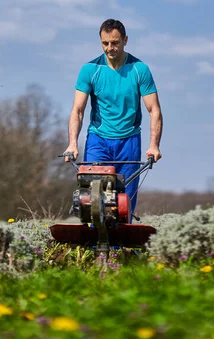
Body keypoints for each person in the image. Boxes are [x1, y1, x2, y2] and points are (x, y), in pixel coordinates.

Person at [63, 18, 163, 218]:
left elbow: (154, 110)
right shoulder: (90, 70)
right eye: (105, 43)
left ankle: (120, 247)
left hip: (129, 140)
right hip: (98, 140)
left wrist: (154, 145)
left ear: (125, 40)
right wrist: (72, 144)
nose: (110, 48)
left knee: (124, 203)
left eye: (115, 43)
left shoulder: (139, 69)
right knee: (91, 197)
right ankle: (93, 244)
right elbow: (78, 110)